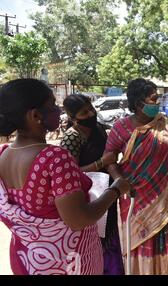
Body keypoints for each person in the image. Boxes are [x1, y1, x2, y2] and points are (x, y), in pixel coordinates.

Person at [0, 79, 129, 275]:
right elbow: (78, 219)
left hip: (28, 260)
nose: (58, 110)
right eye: (52, 105)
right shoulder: (55, 159)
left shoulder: (3, 155)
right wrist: (116, 189)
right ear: (35, 115)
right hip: (67, 263)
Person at [104, 78, 168, 275]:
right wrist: (120, 181)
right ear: (138, 104)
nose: (157, 103)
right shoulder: (121, 129)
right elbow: (108, 160)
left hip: (162, 197)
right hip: (135, 197)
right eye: (153, 99)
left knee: (163, 236)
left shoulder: (161, 122)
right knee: (138, 241)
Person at [60, 94, 124, 275]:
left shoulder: (98, 129)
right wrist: (101, 163)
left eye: (91, 109)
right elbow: (70, 175)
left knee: (109, 234)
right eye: (83, 112)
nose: (90, 114)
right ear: (73, 118)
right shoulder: (72, 138)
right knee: (94, 238)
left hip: (107, 192)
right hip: (88, 197)